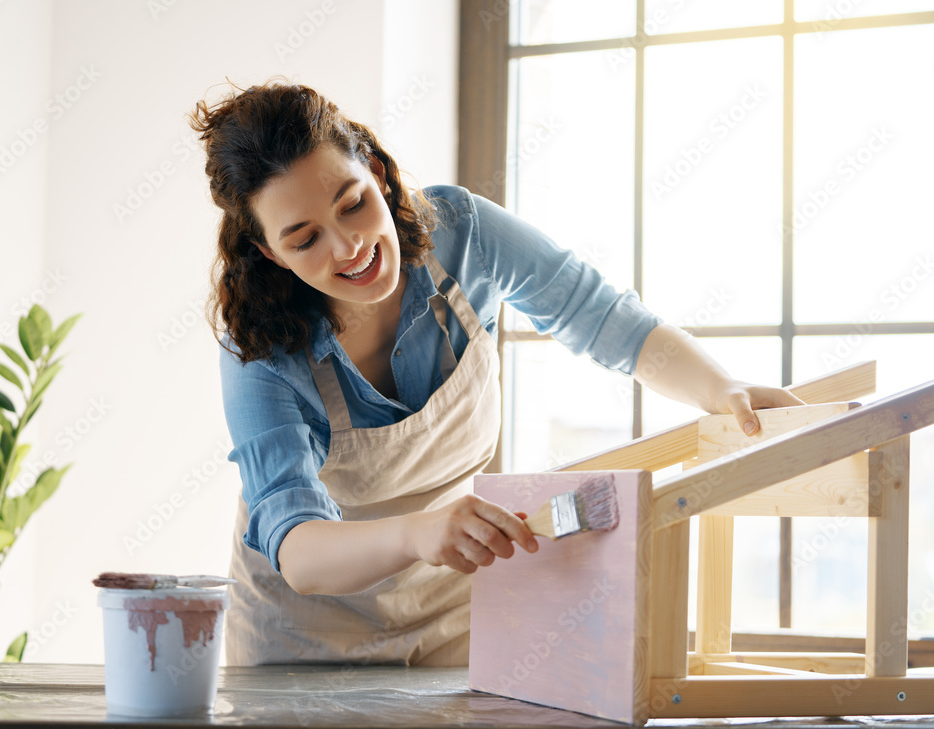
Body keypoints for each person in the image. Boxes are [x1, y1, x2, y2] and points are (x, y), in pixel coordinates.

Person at [189, 79, 804, 668]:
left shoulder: (460, 233)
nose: (348, 246)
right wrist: (418, 532)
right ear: (270, 251)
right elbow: (297, 547)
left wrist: (720, 390)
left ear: (376, 172)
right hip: (303, 638)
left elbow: (598, 314)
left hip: (452, 614)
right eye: (304, 240)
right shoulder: (260, 349)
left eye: (353, 204)